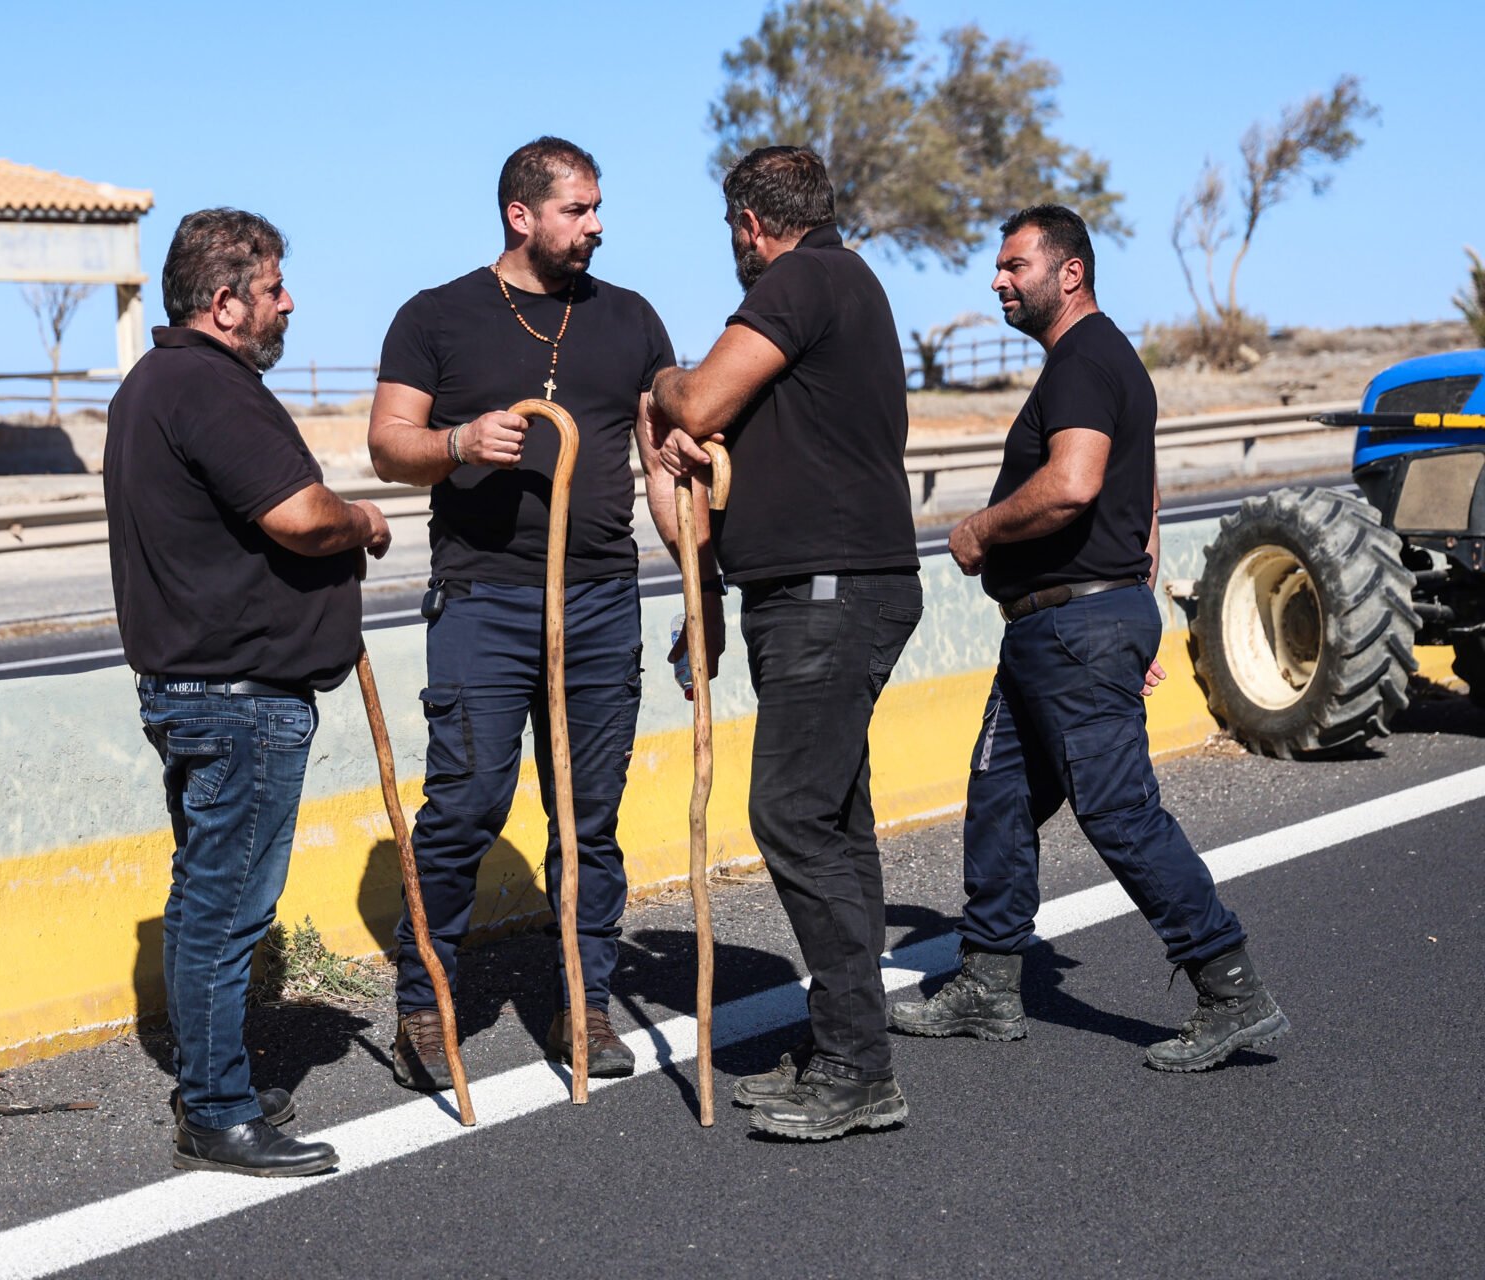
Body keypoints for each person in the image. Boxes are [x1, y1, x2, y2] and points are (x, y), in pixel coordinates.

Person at [888, 205, 1289, 1071]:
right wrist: (1134, 613)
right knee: (1000, 794)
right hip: (1067, 629)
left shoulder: (1082, 361)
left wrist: (981, 530)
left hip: (1073, 629)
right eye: (999, 267)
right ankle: (989, 982)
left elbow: (1073, 485)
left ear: (1069, 273)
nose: (998, 279)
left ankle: (1230, 988)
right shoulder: (1101, 363)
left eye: (1015, 265)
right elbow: (1144, 502)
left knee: (1117, 810)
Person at [368, 137, 677, 1089]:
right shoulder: (436, 316)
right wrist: (457, 442)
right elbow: (388, 444)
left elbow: (662, 465)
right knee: (466, 804)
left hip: (601, 600)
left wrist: (700, 577)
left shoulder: (630, 318)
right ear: (521, 215)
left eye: (597, 207)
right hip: (484, 600)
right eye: (577, 209)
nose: (596, 225)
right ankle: (427, 1005)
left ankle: (583, 1004)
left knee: (589, 817)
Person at [105, 208, 391, 1176]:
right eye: (273, 288)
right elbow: (299, 516)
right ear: (225, 302)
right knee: (228, 910)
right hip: (237, 702)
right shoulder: (208, 386)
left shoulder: (153, 385)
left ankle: (212, 1080)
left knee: (204, 900)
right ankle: (219, 1110)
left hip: (197, 690)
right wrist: (362, 520)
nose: (289, 302)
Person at [649, 145, 921, 1140]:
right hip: (822, 589)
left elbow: (696, 400)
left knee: (793, 813)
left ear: (751, 225)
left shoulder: (803, 279)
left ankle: (857, 1067)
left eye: (735, 231)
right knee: (834, 816)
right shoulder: (842, 284)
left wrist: (663, 386)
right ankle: (847, 1044)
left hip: (830, 591)